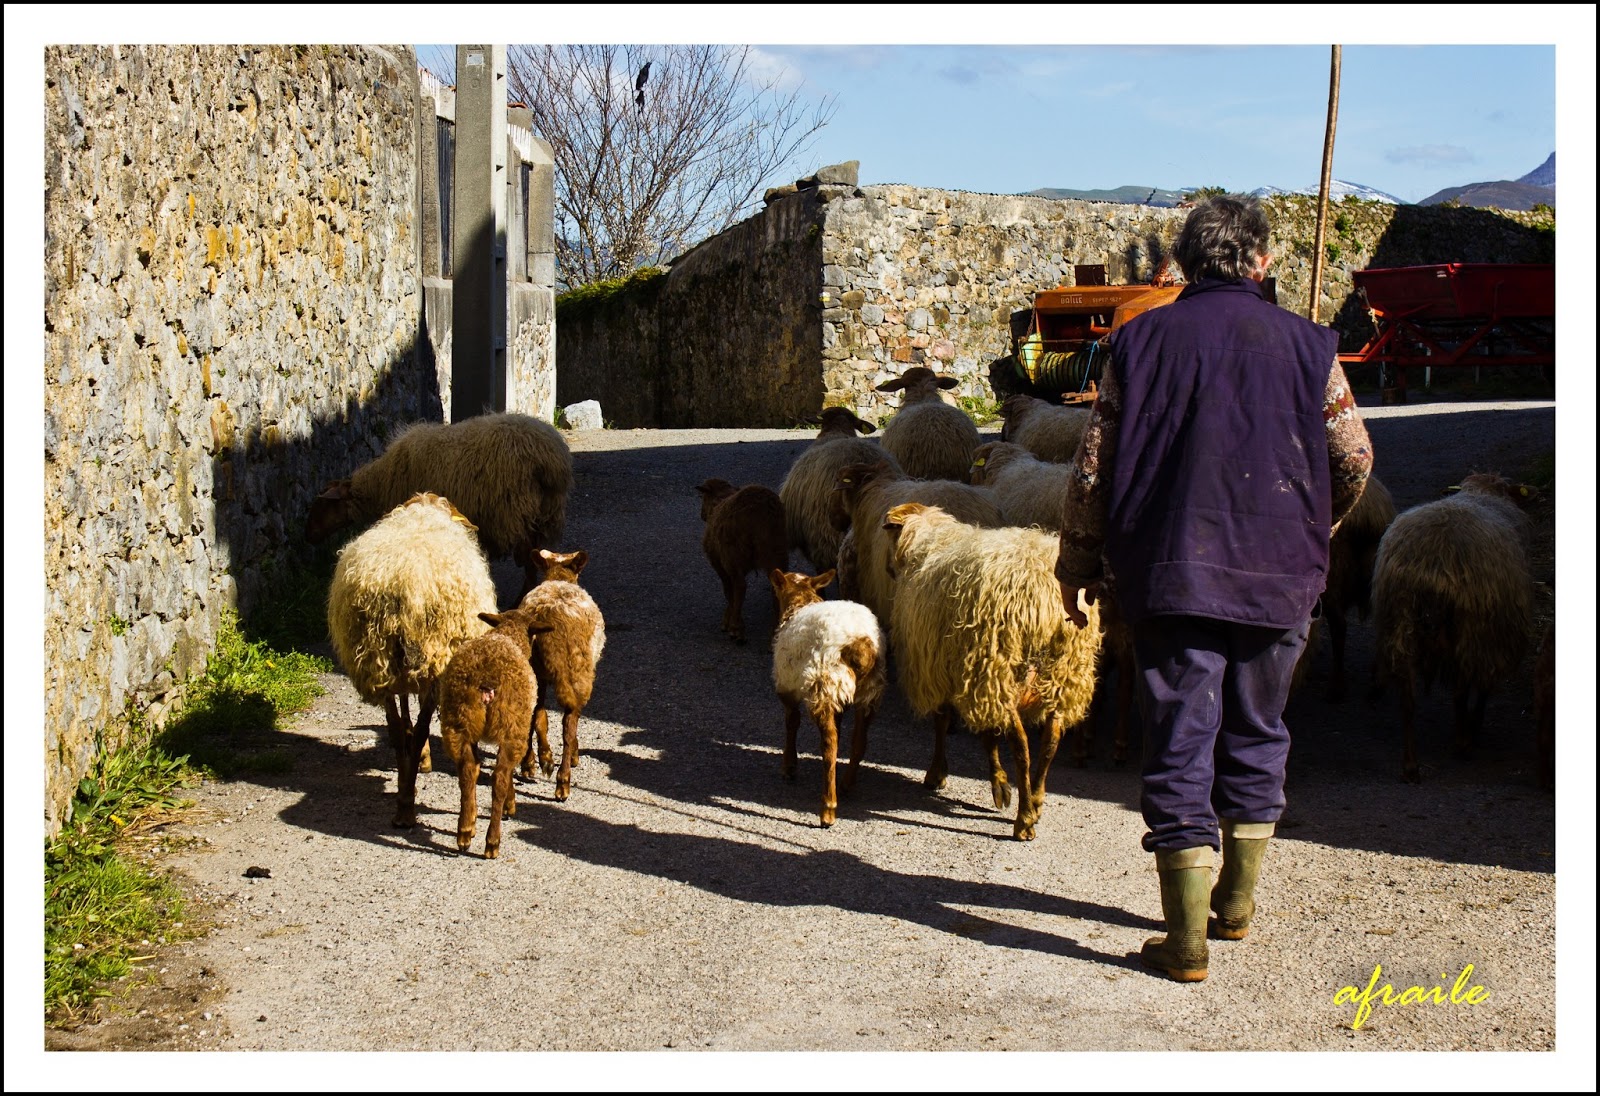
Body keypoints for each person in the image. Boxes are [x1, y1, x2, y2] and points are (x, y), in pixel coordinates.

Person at [1055, 194, 1373, 983]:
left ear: (1187, 265)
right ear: (1261, 262)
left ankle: (1185, 939)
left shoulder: (1139, 341)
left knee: (1180, 738)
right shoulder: (1310, 346)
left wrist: (1077, 564)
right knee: (1260, 729)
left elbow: (1094, 466)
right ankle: (1235, 906)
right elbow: (1355, 459)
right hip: (1279, 575)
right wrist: (1314, 529)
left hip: (1170, 574)